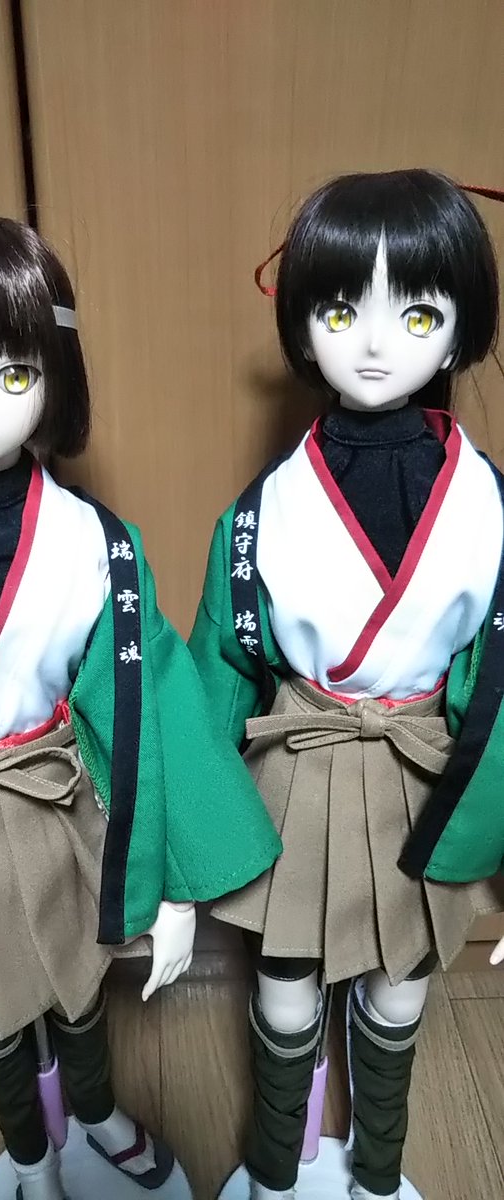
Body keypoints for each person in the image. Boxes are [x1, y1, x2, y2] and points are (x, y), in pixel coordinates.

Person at [0, 214, 281, 1200]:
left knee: (77, 989)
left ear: (53, 374)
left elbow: (148, 709)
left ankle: (99, 1113)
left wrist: (174, 888)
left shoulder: (92, 543)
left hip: (53, 791)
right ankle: (32, 1159)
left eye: (11, 373)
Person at [189, 170, 503, 1200]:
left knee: (400, 990)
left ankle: (377, 1170)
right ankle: (276, 1170)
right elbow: (222, 670)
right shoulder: (262, 511)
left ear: (457, 332)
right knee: (283, 989)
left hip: (424, 768)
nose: (372, 344)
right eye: (338, 312)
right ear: (302, 326)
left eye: (414, 314)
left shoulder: (487, 506)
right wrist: (182, 862)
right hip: (301, 761)